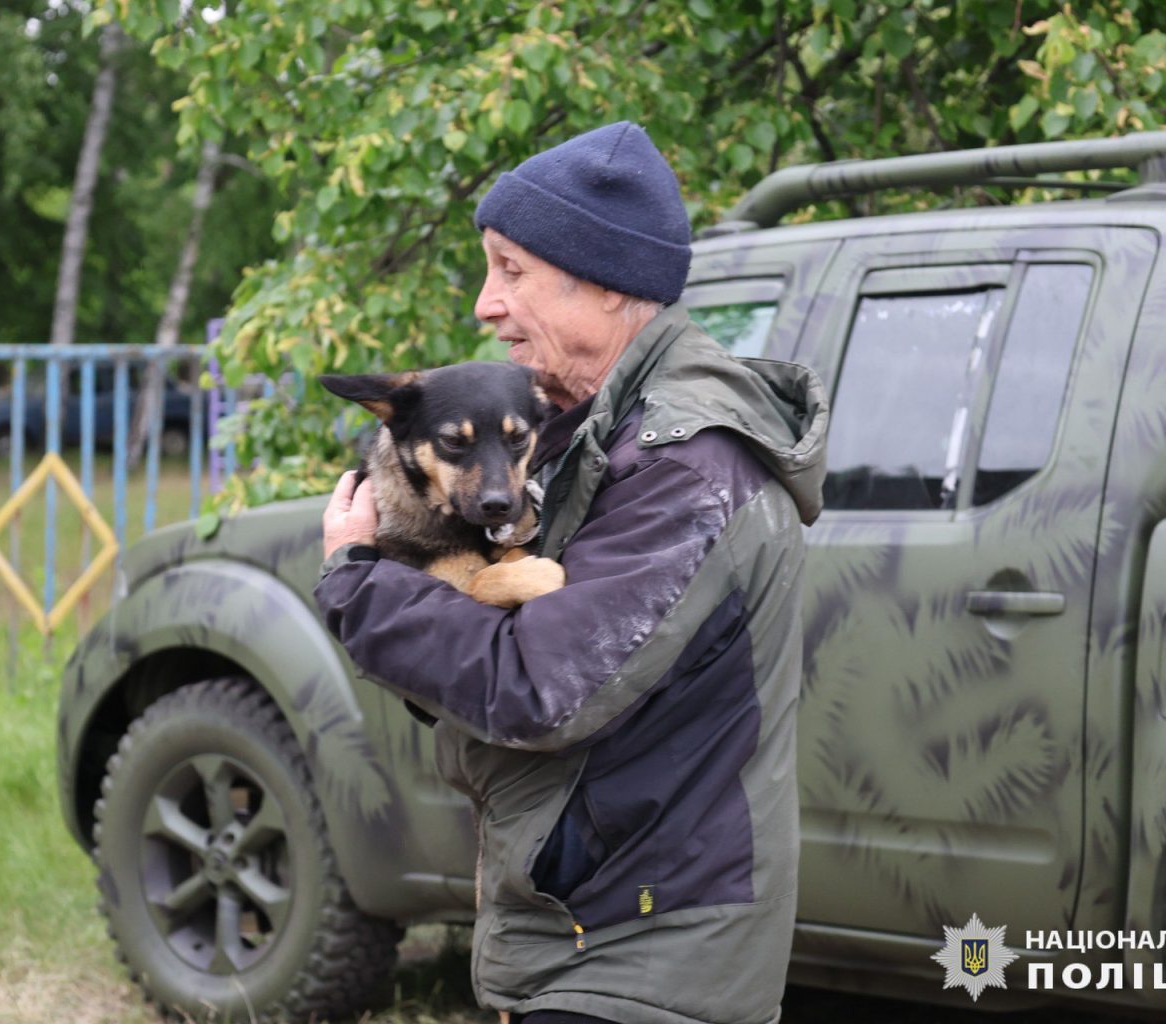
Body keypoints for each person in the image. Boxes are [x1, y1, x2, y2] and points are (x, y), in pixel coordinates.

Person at [315, 120, 828, 1024]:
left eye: (509, 269)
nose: (484, 303)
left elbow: (537, 689)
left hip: (646, 957)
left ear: (599, 280)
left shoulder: (687, 463)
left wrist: (361, 583)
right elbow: (488, 661)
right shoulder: (582, 436)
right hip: (584, 931)